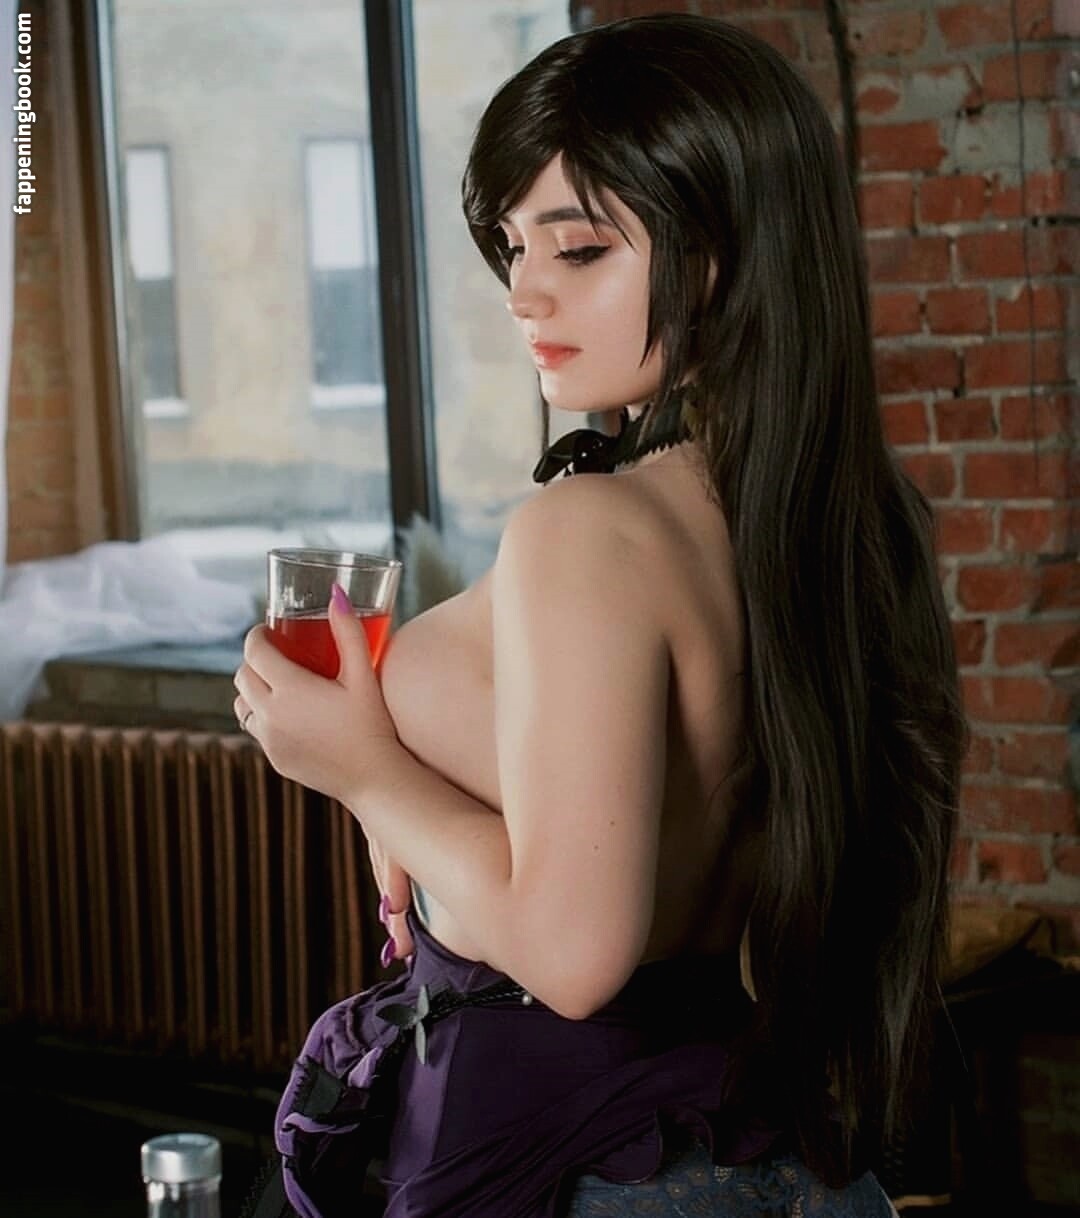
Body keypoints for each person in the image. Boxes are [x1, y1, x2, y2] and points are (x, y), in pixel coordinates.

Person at [233, 13, 966, 1218]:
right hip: (760, 1159)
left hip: (595, 1168)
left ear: (721, 249)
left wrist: (361, 768)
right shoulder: (849, 519)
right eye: (512, 244)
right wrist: (422, 802)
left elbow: (576, 955)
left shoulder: (592, 533)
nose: (524, 291)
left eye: (578, 249)